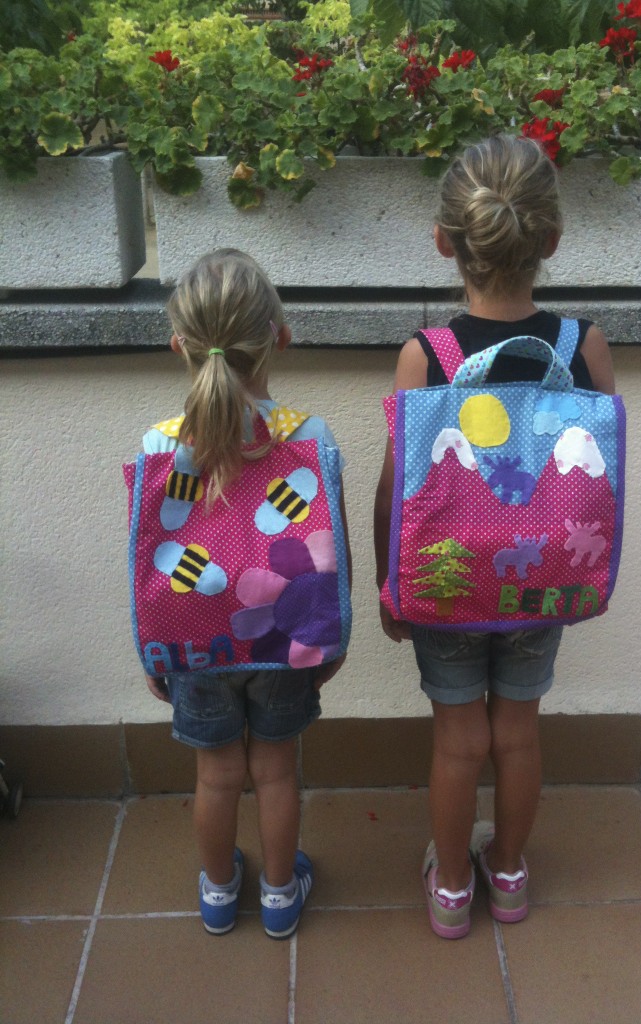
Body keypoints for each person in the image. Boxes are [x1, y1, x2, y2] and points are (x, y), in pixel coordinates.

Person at [373, 135, 615, 939]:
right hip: (544, 582)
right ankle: (507, 873)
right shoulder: (583, 346)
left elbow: (397, 487)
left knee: (458, 740)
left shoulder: (427, 356)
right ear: (552, 239)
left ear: (445, 242)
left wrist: (389, 584)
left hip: (445, 582)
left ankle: (450, 887)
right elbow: (604, 474)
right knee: (517, 732)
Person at [142, 249, 350, 939]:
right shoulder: (310, 438)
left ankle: (218, 892)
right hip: (282, 639)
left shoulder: (158, 447)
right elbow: (331, 553)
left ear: (180, 346)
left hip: (194, 642)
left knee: (216, 776)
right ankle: (281, 895)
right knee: (276, 772)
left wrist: (155, 650)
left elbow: (148, 560)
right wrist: (331, 637)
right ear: (280, 337)